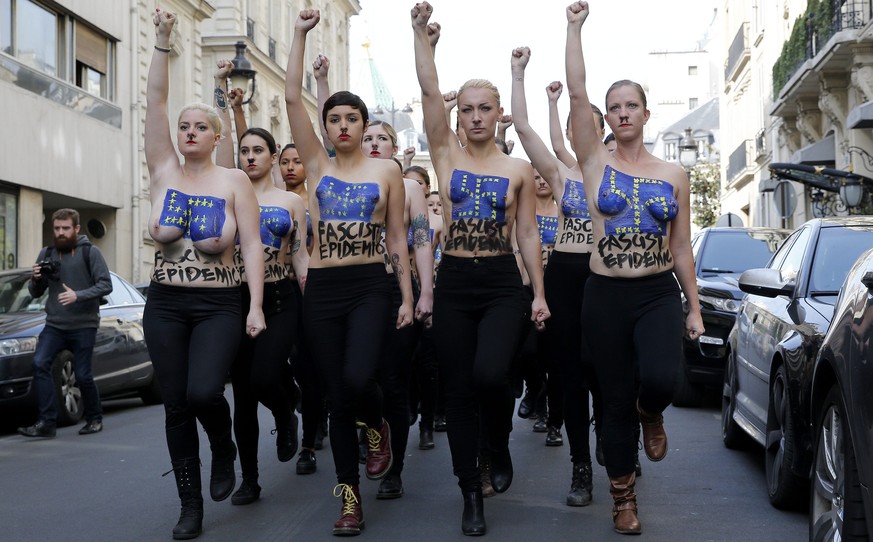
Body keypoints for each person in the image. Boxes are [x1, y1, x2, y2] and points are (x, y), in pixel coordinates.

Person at [564, 2, 704, 535]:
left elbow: (683, 246)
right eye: (614, 107)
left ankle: (654, 411)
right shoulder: (595, 163)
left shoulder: (674, 173)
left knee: (662, 379)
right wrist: (574, 28)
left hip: (657, 293)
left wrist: (693, 306)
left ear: (646, 114)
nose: (622, 113)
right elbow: (577, 94)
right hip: (605, 295)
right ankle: (623, 497)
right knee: (613, 398)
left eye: (631, 106)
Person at [412, 2, 549, 536]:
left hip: (499, 284)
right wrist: (421, 36)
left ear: (497, 115)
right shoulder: (446, 157)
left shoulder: (517, 168)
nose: (473, 117)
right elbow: (428, 94)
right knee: (458, 390)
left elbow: (529, 234)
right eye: (466, 109)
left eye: (484, 108)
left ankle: (497, 442)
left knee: (492, 375)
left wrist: (537, 292)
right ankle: (472, 490)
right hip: (454, 284)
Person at [286, 10, 413, 536]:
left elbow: (401, 239)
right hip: (323, 288)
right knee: (337, 399)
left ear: (364, 126)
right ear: (326, 127)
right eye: (333, 119)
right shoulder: (317, 167)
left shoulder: (387, 171)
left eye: (351, 120)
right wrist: (298, 34)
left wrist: (406, 297)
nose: (341, 126)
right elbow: (292, 97)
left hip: (369, 286)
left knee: (360, 379)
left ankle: (378, 426)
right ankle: (348, 497)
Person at [143, 9, 266, 540]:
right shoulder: (164, 171)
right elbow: (155, 102)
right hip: (165, 303)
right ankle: (189, 504)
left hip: (220, 303)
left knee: (202, 394)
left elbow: (255, 243)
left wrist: (256, 306)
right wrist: (163, 40)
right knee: (174, 406)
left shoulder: (234, 179)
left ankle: (223, 444)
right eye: (184, 128)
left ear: (215, 136)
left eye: (199, 127)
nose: (189, 132)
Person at [213, 62, 310, 505]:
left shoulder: (291, 200)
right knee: (244, 396)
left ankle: (288, 410)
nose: (250, 156)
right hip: (235, 300)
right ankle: (250, 479)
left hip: (281, 297)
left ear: (274, 158)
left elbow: (301, 253)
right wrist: (223, 94)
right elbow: (225, 147)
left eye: (259, 151)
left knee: (267, 374)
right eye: (245, 151)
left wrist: (314, 298)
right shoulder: (231, 194)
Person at [17, 208, 113, 439]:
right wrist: (35, 279)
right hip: (55, 324)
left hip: (84, 323)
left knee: (82, 374)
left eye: (65, 228)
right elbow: (35, 292)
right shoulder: (47, 253)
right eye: (57, 228)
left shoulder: (91, 252)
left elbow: (106, 285)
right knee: (40, 364)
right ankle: (47, 423)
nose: (60, 233)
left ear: (76, 229)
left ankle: (94, 418)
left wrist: (77, 295)